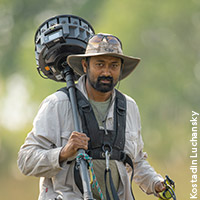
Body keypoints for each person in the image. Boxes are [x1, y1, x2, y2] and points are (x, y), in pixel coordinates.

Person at [18, 33, 166, 200]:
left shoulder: (129, 107)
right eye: (100, 64)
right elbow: (26, 160)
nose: (106, 72)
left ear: (121, 68)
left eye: (114, 65)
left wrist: (156, 183)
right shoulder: (58, 104)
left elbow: (136, 162)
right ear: (85, 65)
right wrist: (63, 153)